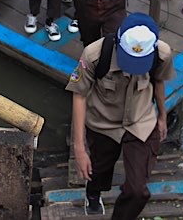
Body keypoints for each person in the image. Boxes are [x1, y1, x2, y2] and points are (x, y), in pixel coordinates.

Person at [66, 12, 176, 218]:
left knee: (137, 190)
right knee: (99, 168)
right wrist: (79, 148)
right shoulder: (94, 54)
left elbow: (159, 81)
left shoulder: (162, 54)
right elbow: (79, 94)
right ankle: (93, 193)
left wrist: (162, 116)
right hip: (103, 122)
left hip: (140, 121)